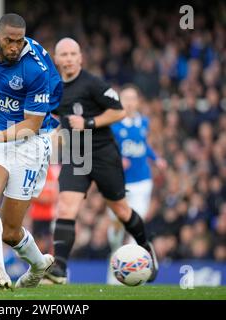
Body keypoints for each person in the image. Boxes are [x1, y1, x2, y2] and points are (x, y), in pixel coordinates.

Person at [43, 38, 158, 285]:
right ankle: (59, 270)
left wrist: (89, 123)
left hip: (104, 155)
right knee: (66, 207)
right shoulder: (53, 87)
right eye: (64, 54)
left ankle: (147, 248)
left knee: (121, 211)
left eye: (74, 54)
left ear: (81, 58)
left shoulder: (93, 83)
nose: (69, 58)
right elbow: (54, 113)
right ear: (56, 59)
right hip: (76, 156)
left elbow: (119, 111)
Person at [0, 13, 62, 289]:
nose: (15, 46)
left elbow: (31, 124)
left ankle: (39, 264)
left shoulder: (35, 69)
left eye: (19, 41)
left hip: (30, 141)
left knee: (10, 231)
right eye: (9, 40)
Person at [108, 84, 167, 252]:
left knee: (137, 223)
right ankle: (115, 249)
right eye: (126, 98)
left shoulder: (144, 122)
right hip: (120, 183)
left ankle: (130, 263)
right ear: (120, 101)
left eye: (133, 99)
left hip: (142, 181)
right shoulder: (113, 124)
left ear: (138, 102)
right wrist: (118, 159)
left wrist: (156, 159)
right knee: (117, 225)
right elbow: (105, 150)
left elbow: (144, 145)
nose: (130, 102)